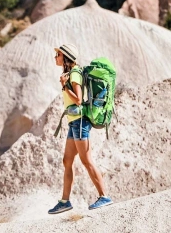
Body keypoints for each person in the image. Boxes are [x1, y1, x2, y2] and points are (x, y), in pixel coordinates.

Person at [47, 44, 113, 214]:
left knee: (86, 160)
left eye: (58, 55)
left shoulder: (75, 74)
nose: (56, 57)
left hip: (80, 122)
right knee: (67, 161)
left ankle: (104, 196)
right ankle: (65, 201)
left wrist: (64, 86)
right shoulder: (71, 73)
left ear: (66, 57)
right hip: (73, 122)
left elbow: (77, 99)